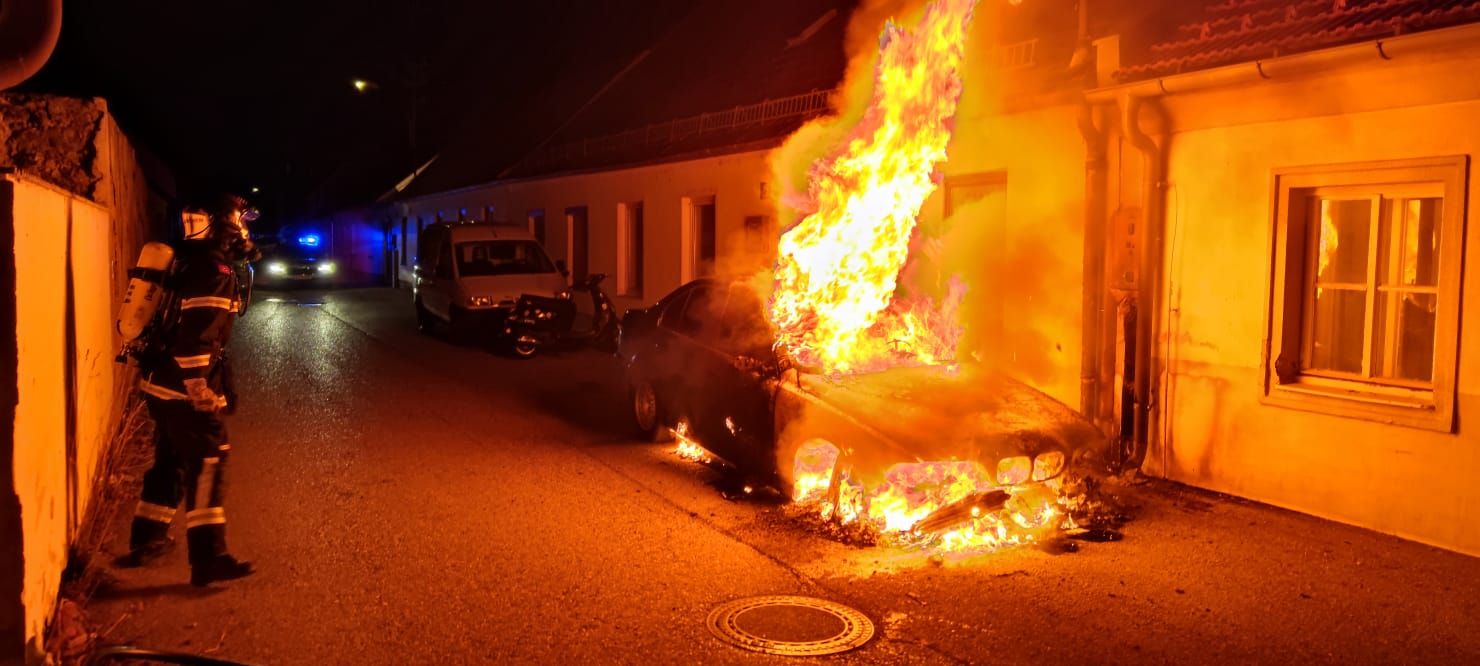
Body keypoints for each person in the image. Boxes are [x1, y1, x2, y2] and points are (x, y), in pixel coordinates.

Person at [119, 194, 262, 586]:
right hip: (184, 388)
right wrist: (200, 387)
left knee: (170, 458)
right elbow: (198, 335)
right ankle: (209, 556)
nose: (245, 229)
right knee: (209, 459)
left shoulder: (186, 260)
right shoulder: (214, 270)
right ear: (224, 225)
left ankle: (147, 539)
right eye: (240, 221)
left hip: (159, 383)